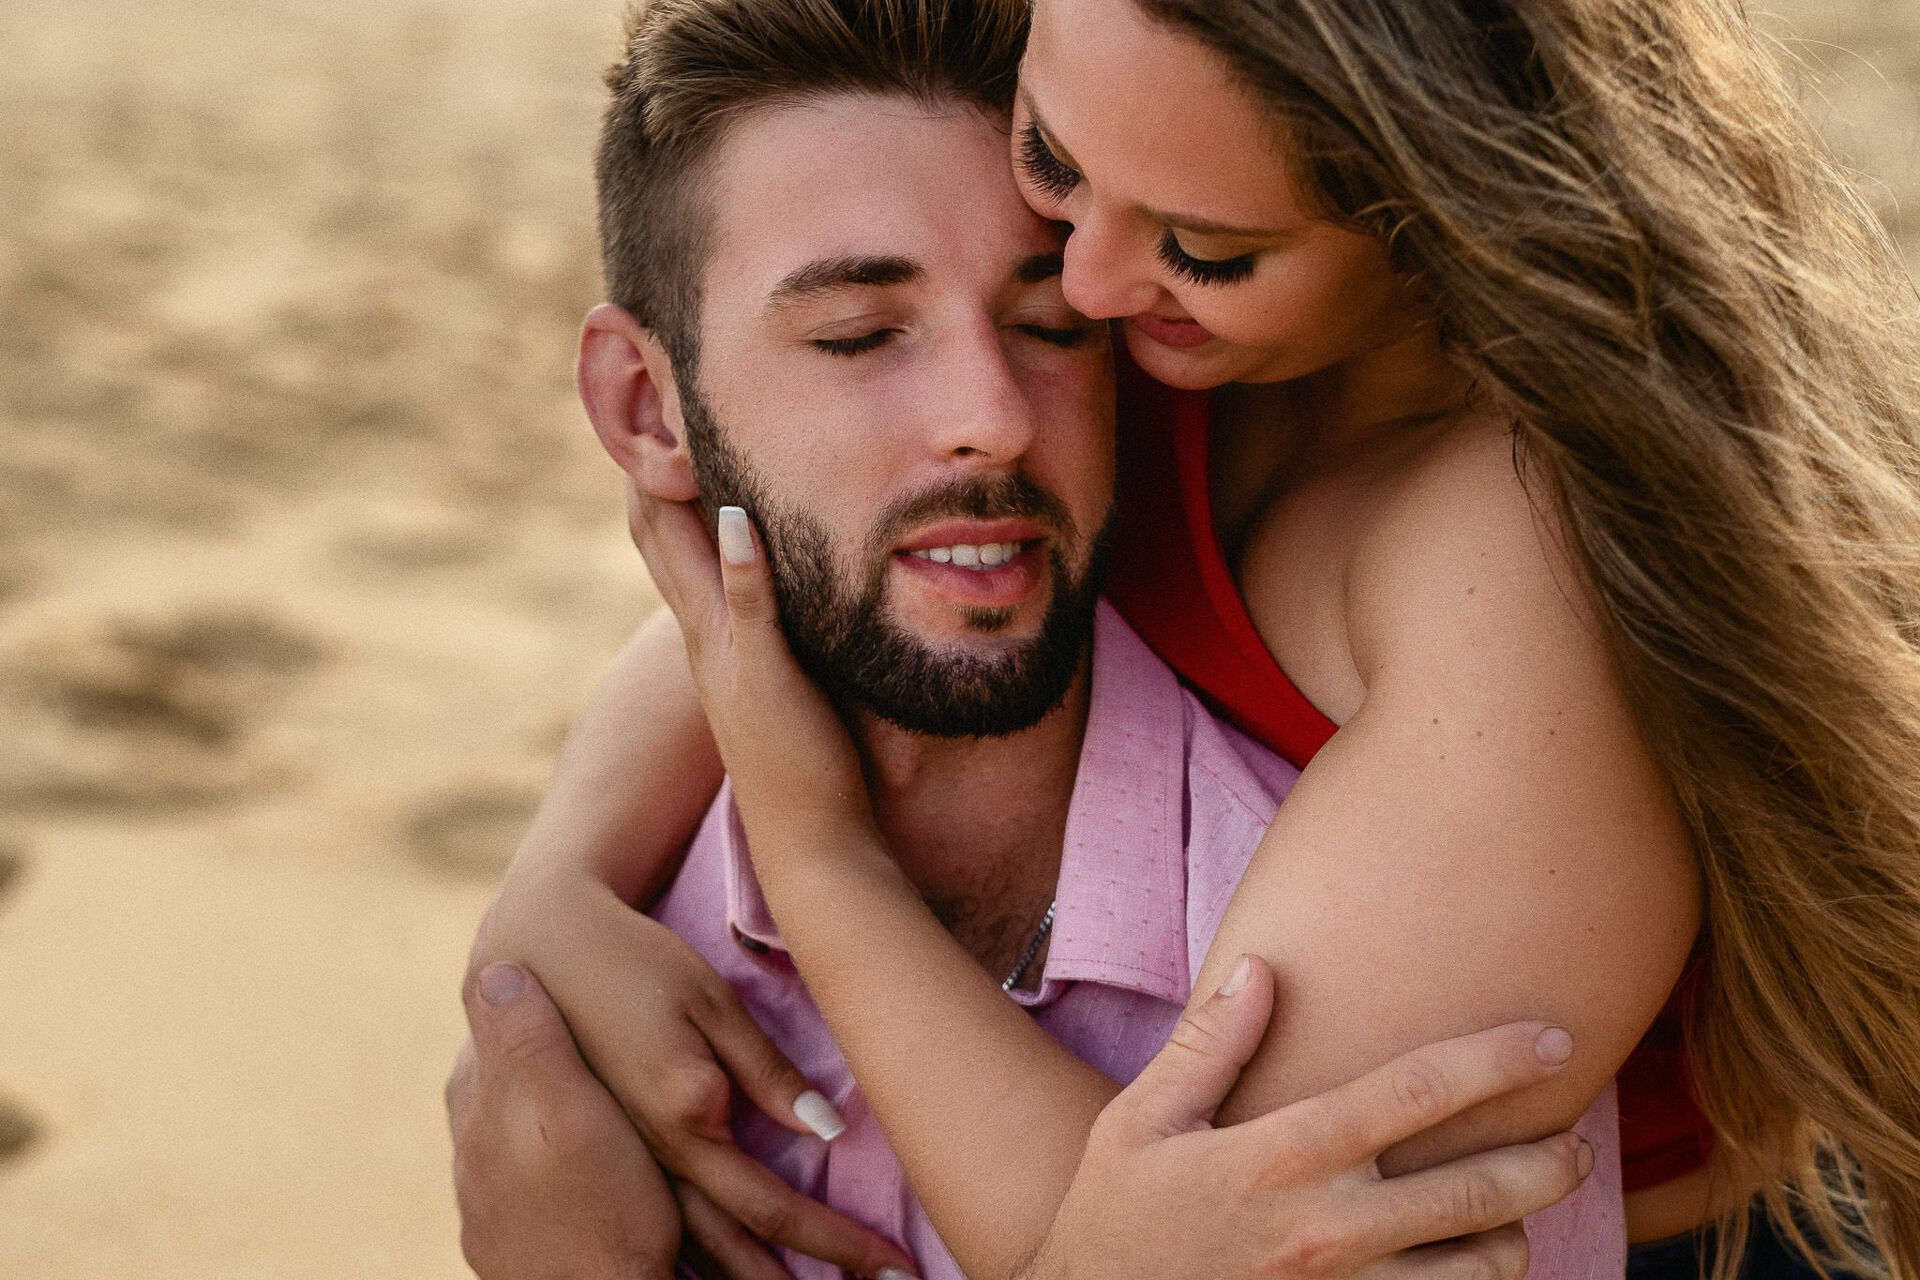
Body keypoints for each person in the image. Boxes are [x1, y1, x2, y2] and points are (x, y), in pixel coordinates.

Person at [456, 0, 1920, 1276]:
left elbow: (1171, 1224)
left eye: (1201, 246)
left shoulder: (1510, 556)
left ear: (1425, 215)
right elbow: (806, 573)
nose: (1082, 286)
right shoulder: (1149, 313)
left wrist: (815, 851)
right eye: (1055, 160)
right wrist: (550, 899)